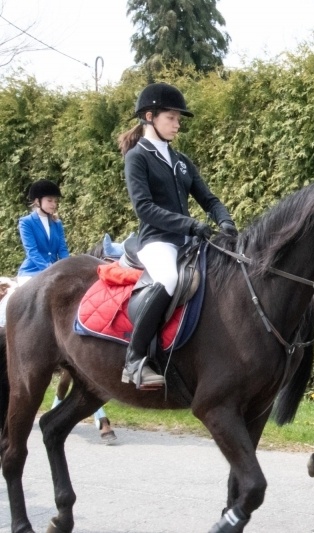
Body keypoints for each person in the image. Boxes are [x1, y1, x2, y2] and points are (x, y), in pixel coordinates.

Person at [116, 82, 237, 390]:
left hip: (187, 242)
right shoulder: (137, 157)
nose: (177, 124)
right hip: (157, 241)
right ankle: (134, 359)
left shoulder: (180, 160)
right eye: (171, 117)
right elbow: (144, 208)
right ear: (149, 116)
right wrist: (189, 225)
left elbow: (208, 199)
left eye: (178, 119)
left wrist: (225, 221)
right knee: (169, 279)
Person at [17, 179, 117, 441]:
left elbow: (62, 250)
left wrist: (66, 269)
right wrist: (52, 272)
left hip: (54, 275)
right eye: (50, 200)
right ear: (37, 202)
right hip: (32, 275)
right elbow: (33, 253)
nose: (54, 203)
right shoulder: (26, 223)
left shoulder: (57, 223)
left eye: (55, 200)